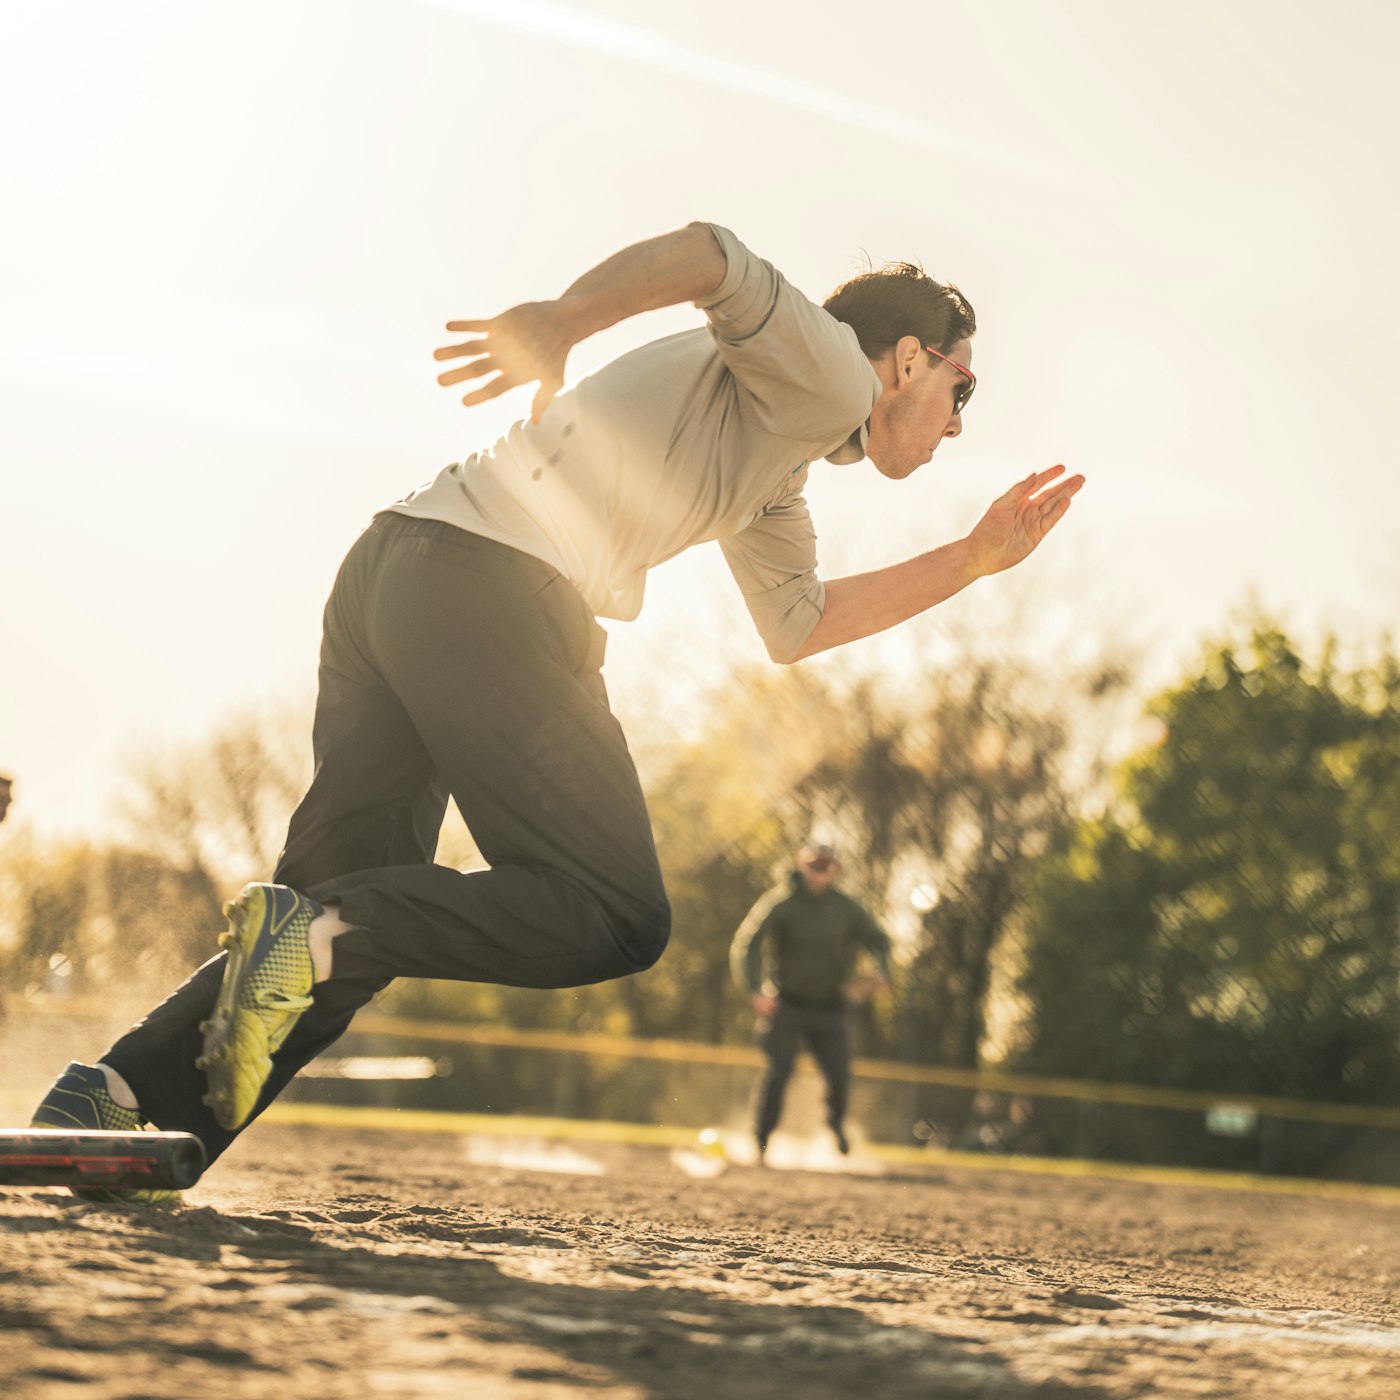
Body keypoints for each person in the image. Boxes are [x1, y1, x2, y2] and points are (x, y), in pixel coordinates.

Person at [30, 222, 1084, 1201]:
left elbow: (796, 623)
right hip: (494, 587)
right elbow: (714, 255)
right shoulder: (822, 369)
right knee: (611, 910)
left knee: (335, 922)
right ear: (906, 359)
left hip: (398, 565)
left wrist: (973, 559)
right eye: (962, 386)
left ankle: (118, 1101)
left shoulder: (777, 453)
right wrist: (559, 322)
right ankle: (289, 952)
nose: (957, 421)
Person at [731, 842, 891, 1162]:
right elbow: (748, 944)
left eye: (826, 865)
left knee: (840, 1076)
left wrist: (881, 969)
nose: (820, 870)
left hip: (831, 1005)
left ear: (836, 869)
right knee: (779, 1071)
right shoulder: (782, 903)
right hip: (787, 1003)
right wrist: (754, 989)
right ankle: (761, 1143)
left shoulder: (846, 908)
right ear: (801, 865)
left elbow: (879, 940)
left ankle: (835, 1124)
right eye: (814, 864)